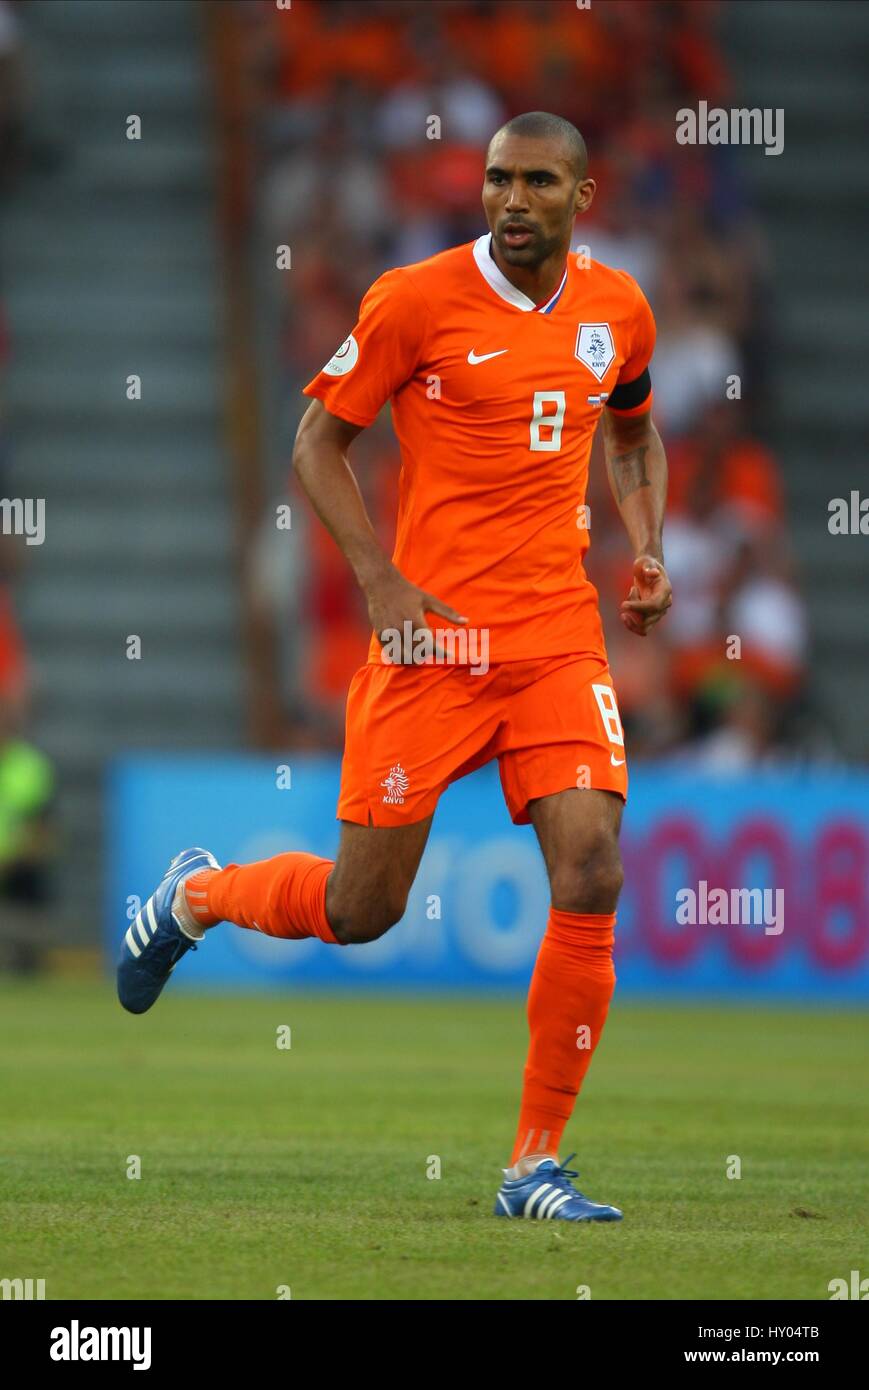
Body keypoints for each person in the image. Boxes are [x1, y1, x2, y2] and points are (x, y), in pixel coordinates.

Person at [118, 111, 672, 1223]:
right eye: (496, 179)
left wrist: (647, 545)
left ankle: (531, 1166)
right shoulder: (413, 300)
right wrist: (377, 580)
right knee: (361, 906)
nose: (512, 200)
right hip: (430, 644)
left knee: (594, 868)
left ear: (581, 194)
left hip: (556, 637)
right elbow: (315, 442)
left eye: (536, 183)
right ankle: (198, 894)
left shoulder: (619, 309)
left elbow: (629, 433)